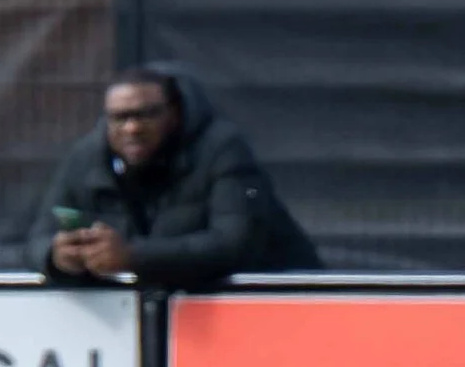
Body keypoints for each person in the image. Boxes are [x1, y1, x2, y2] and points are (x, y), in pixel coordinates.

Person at [28, 67, 319, 288]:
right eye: (119, 117)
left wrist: (133, 257)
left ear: (174, 114)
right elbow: (40, 236)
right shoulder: (87, 156)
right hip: (145, 319)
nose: (132, 128)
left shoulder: (222, 149)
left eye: (146, 115)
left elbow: (235, 246)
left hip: (267, 307)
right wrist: (58, 257)